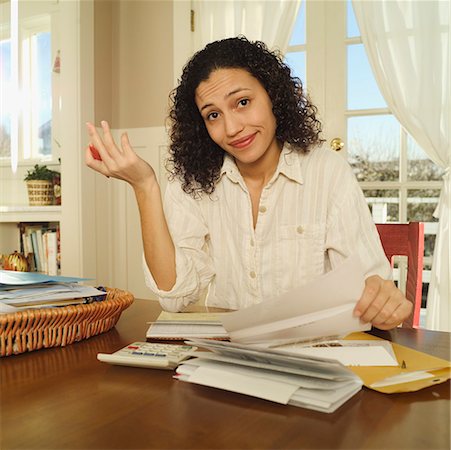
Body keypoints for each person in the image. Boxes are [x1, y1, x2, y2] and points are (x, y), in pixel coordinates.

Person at [85, 36, 412, 330]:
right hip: (229, 358)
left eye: (242, 102)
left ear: (272, 96)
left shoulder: (328, 171)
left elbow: (368, 283)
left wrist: (383, 299)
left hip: (314, 357)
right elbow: (175, 296)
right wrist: (145, 187)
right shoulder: (193, 182)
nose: (232, 128)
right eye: (213, 115)